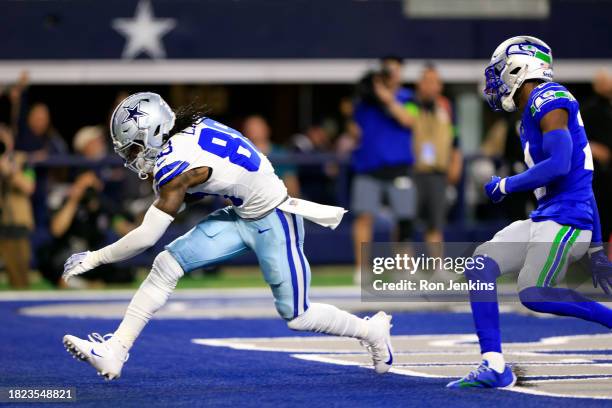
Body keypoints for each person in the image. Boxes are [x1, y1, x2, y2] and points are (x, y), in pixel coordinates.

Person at [61, 93, 393, 380]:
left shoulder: (175, 165)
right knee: (167, 264)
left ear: (154, 132)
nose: (131, 157)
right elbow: (220, 173)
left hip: (275, 219)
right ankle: (115, 349)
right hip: (241, 213)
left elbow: (146, 237)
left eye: (133, 147)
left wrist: (95, 257)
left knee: (298, 315)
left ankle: (372, 331)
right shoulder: (191, 127)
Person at [447, 36, 612, 389]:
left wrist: (506, 185)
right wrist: (597, 249)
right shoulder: (533, 112)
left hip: (565, 220)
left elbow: (559, 163)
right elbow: (585, 177)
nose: (496, 80)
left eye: (500, 71)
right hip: (550, 216)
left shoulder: (549, 98)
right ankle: (494, 365)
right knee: (480, 264)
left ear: (521, 67)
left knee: (534, 292)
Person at [351, 56, 416, 281]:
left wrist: (386, 99)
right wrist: (373, 93)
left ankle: (403, 268)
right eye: (387, 71)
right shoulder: (366, 101)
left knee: (404, 219)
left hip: (399, 166)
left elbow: (409, 120)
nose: (391, 75)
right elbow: (354, 128)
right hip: (369, 165)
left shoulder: (408, 97)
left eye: (395, 71)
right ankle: (362, 269)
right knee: (364, 217)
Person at [408, 64, 462, 252]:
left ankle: (437, 267)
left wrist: (456, 163)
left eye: (436, 82)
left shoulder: (446, 108)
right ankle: (404, 268)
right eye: (428, 81)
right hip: (412, 171)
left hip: (438, 172)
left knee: (436, 223)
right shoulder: (409, 104)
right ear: (419, 85)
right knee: (406, 222)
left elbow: (455, 140)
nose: (432, 86)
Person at [0, 125, 35, 288]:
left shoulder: (22, 160)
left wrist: (10, 172)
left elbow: (29, 186)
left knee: (20, 276)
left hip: (18, 223)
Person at [582, 70, 612, 245]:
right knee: (600, 217)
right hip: (599, 175)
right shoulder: (589, 110)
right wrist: (592, 148)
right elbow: (576, 138)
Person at [242, 115, 300, 198]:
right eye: (250, 128)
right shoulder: (239, 156)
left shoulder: (282, 154)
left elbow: (293, 189)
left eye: (257, 127)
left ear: (266, 129)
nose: (253, 131)